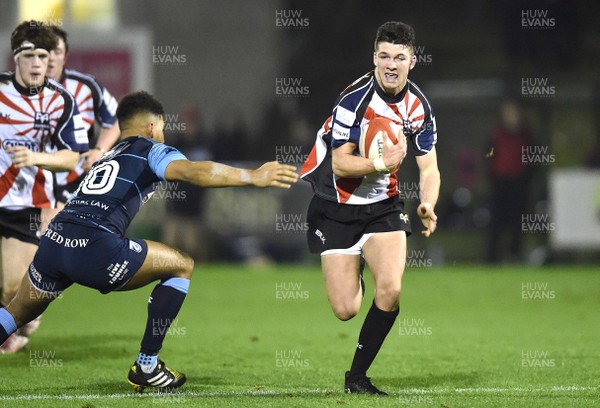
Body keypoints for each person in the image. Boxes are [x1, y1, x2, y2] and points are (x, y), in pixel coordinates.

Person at [0, 91, 298, 392]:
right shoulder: (150, 149)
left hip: (54, 243)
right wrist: (252, 176)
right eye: (164, 127)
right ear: (152, 127)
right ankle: (147, 365)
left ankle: (147, 366)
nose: (164, 134)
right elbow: (193, 170)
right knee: (182, 265)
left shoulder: (109, 156)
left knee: (14, 313)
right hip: (93, 247)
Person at [300, 21, 440, 395]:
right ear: (374, 58)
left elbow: (429, 167)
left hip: (383, 206)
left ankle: (357, 378)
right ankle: (355, 264)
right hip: (336, 204)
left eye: (399, 57)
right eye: (384, 56)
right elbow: (340, 164)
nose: (391, 65)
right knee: (345, 309)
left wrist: (427, 202)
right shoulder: (354, 99)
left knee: (391, 290)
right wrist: (381, 163)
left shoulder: (418, 107)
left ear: (413, 60)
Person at [0, 21, 88, 353]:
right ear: (16, 58)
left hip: (26, 203)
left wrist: (35, 157)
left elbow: (71, 159)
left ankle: (24, 314)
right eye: (29, 55)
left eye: (43, 55)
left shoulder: (60, 101)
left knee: (11, 288)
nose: (37, 63)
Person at [486, 99, 533, 263]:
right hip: (500, 184)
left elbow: (532, 161)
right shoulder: (496, 134)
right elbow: (488, 156)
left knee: (517, 222)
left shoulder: (526, 135)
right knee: (496, 222)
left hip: (519, 184)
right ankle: (491, 258)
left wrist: (527, 179)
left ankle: (514, 256)